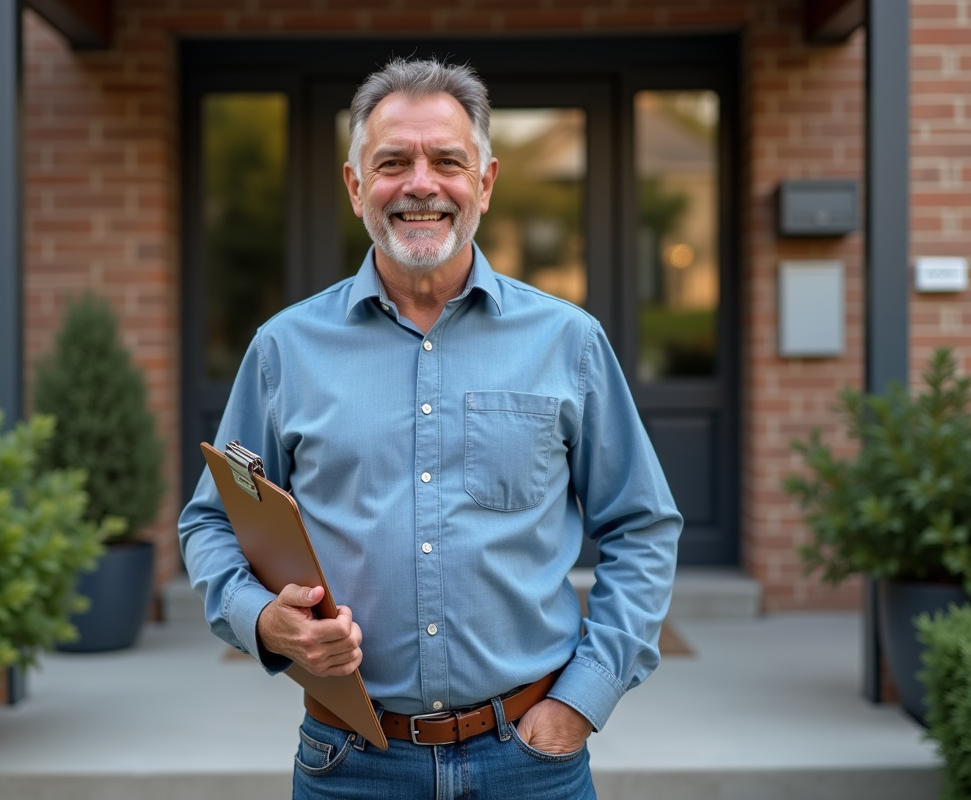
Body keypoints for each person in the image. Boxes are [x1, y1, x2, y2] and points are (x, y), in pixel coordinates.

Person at [178, 57, 682, 800]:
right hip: (351, 762)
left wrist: (586, 696)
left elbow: (642, 526)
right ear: (356, 188)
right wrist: (263, 622)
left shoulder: (569, 343)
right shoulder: (283, 351)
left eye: (448, 160)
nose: (421, 184)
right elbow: (213, 521)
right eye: (392, 162)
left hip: (530, 762)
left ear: (485, 182)